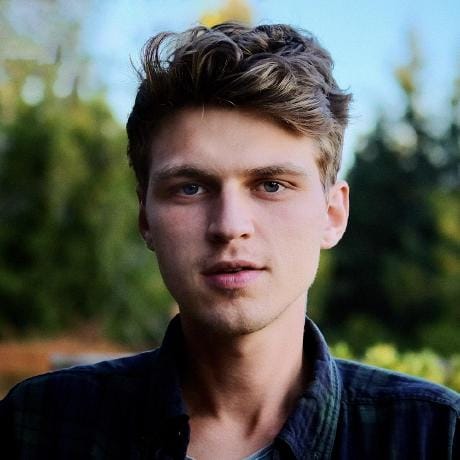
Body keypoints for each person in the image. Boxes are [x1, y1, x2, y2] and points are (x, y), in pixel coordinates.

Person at [0, 22, 458, 460]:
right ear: (145, 218)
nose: (229, 225)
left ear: (332, 214)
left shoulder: (435, 437)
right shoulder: (38, 426)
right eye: (190, 188)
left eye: (271, 185)